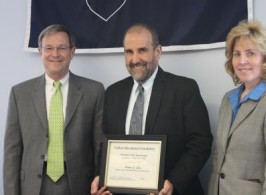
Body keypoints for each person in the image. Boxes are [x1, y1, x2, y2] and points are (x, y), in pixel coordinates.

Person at [90, 23, 212, 195]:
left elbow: (201, 143)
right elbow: (106, 144)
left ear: (158, 52)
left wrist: (173, 182)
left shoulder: (184, 89)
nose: (135, 59)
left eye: (142, 50)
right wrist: (100, 176)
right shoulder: (113, 93)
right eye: (129, 52)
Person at [3, 24, 105, 195]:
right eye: (49, 48)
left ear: (72, 52)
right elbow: (12, 152)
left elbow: (100, 146)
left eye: (62, 48)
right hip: (32, 186)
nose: (55, 54)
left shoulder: (93, 91)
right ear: (40, 52)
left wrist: (101, 181)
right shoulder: (19, 93)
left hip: (79, 185)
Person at [208, 20, 266, 195]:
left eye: (250, 53)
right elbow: (219, 159)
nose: (242, 61)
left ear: (265, 58)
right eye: (236, 54)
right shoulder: (228, 100)